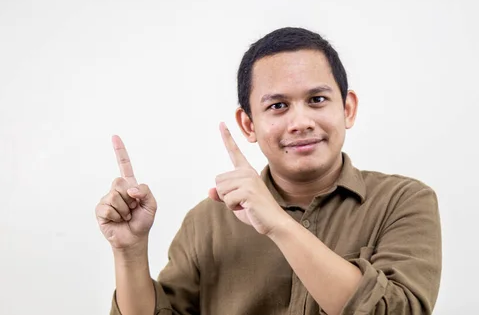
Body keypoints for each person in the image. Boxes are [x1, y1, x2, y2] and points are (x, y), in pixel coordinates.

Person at [96, 27, 442, 315]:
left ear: (347, 108)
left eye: (317, 100)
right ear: (248, 124)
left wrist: (278, 224)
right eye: (278, 106)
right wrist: (129, 251)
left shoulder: (403, 201)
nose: (300, 122)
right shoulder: (206, 222)